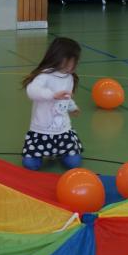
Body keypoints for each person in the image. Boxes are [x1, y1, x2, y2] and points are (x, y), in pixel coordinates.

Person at [21, 37, 84, 170]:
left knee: (74, 163)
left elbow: (66, 97)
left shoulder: (69, 78)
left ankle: (60, 153)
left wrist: (72, 107)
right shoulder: (44, 76)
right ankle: (41, 155)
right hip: (41, 129)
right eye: (73, 60)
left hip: (62, 129)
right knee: (30, 165)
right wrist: (52, 95)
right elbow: (32, 91)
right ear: (61, 58)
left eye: (76, 61)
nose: (75, 64)